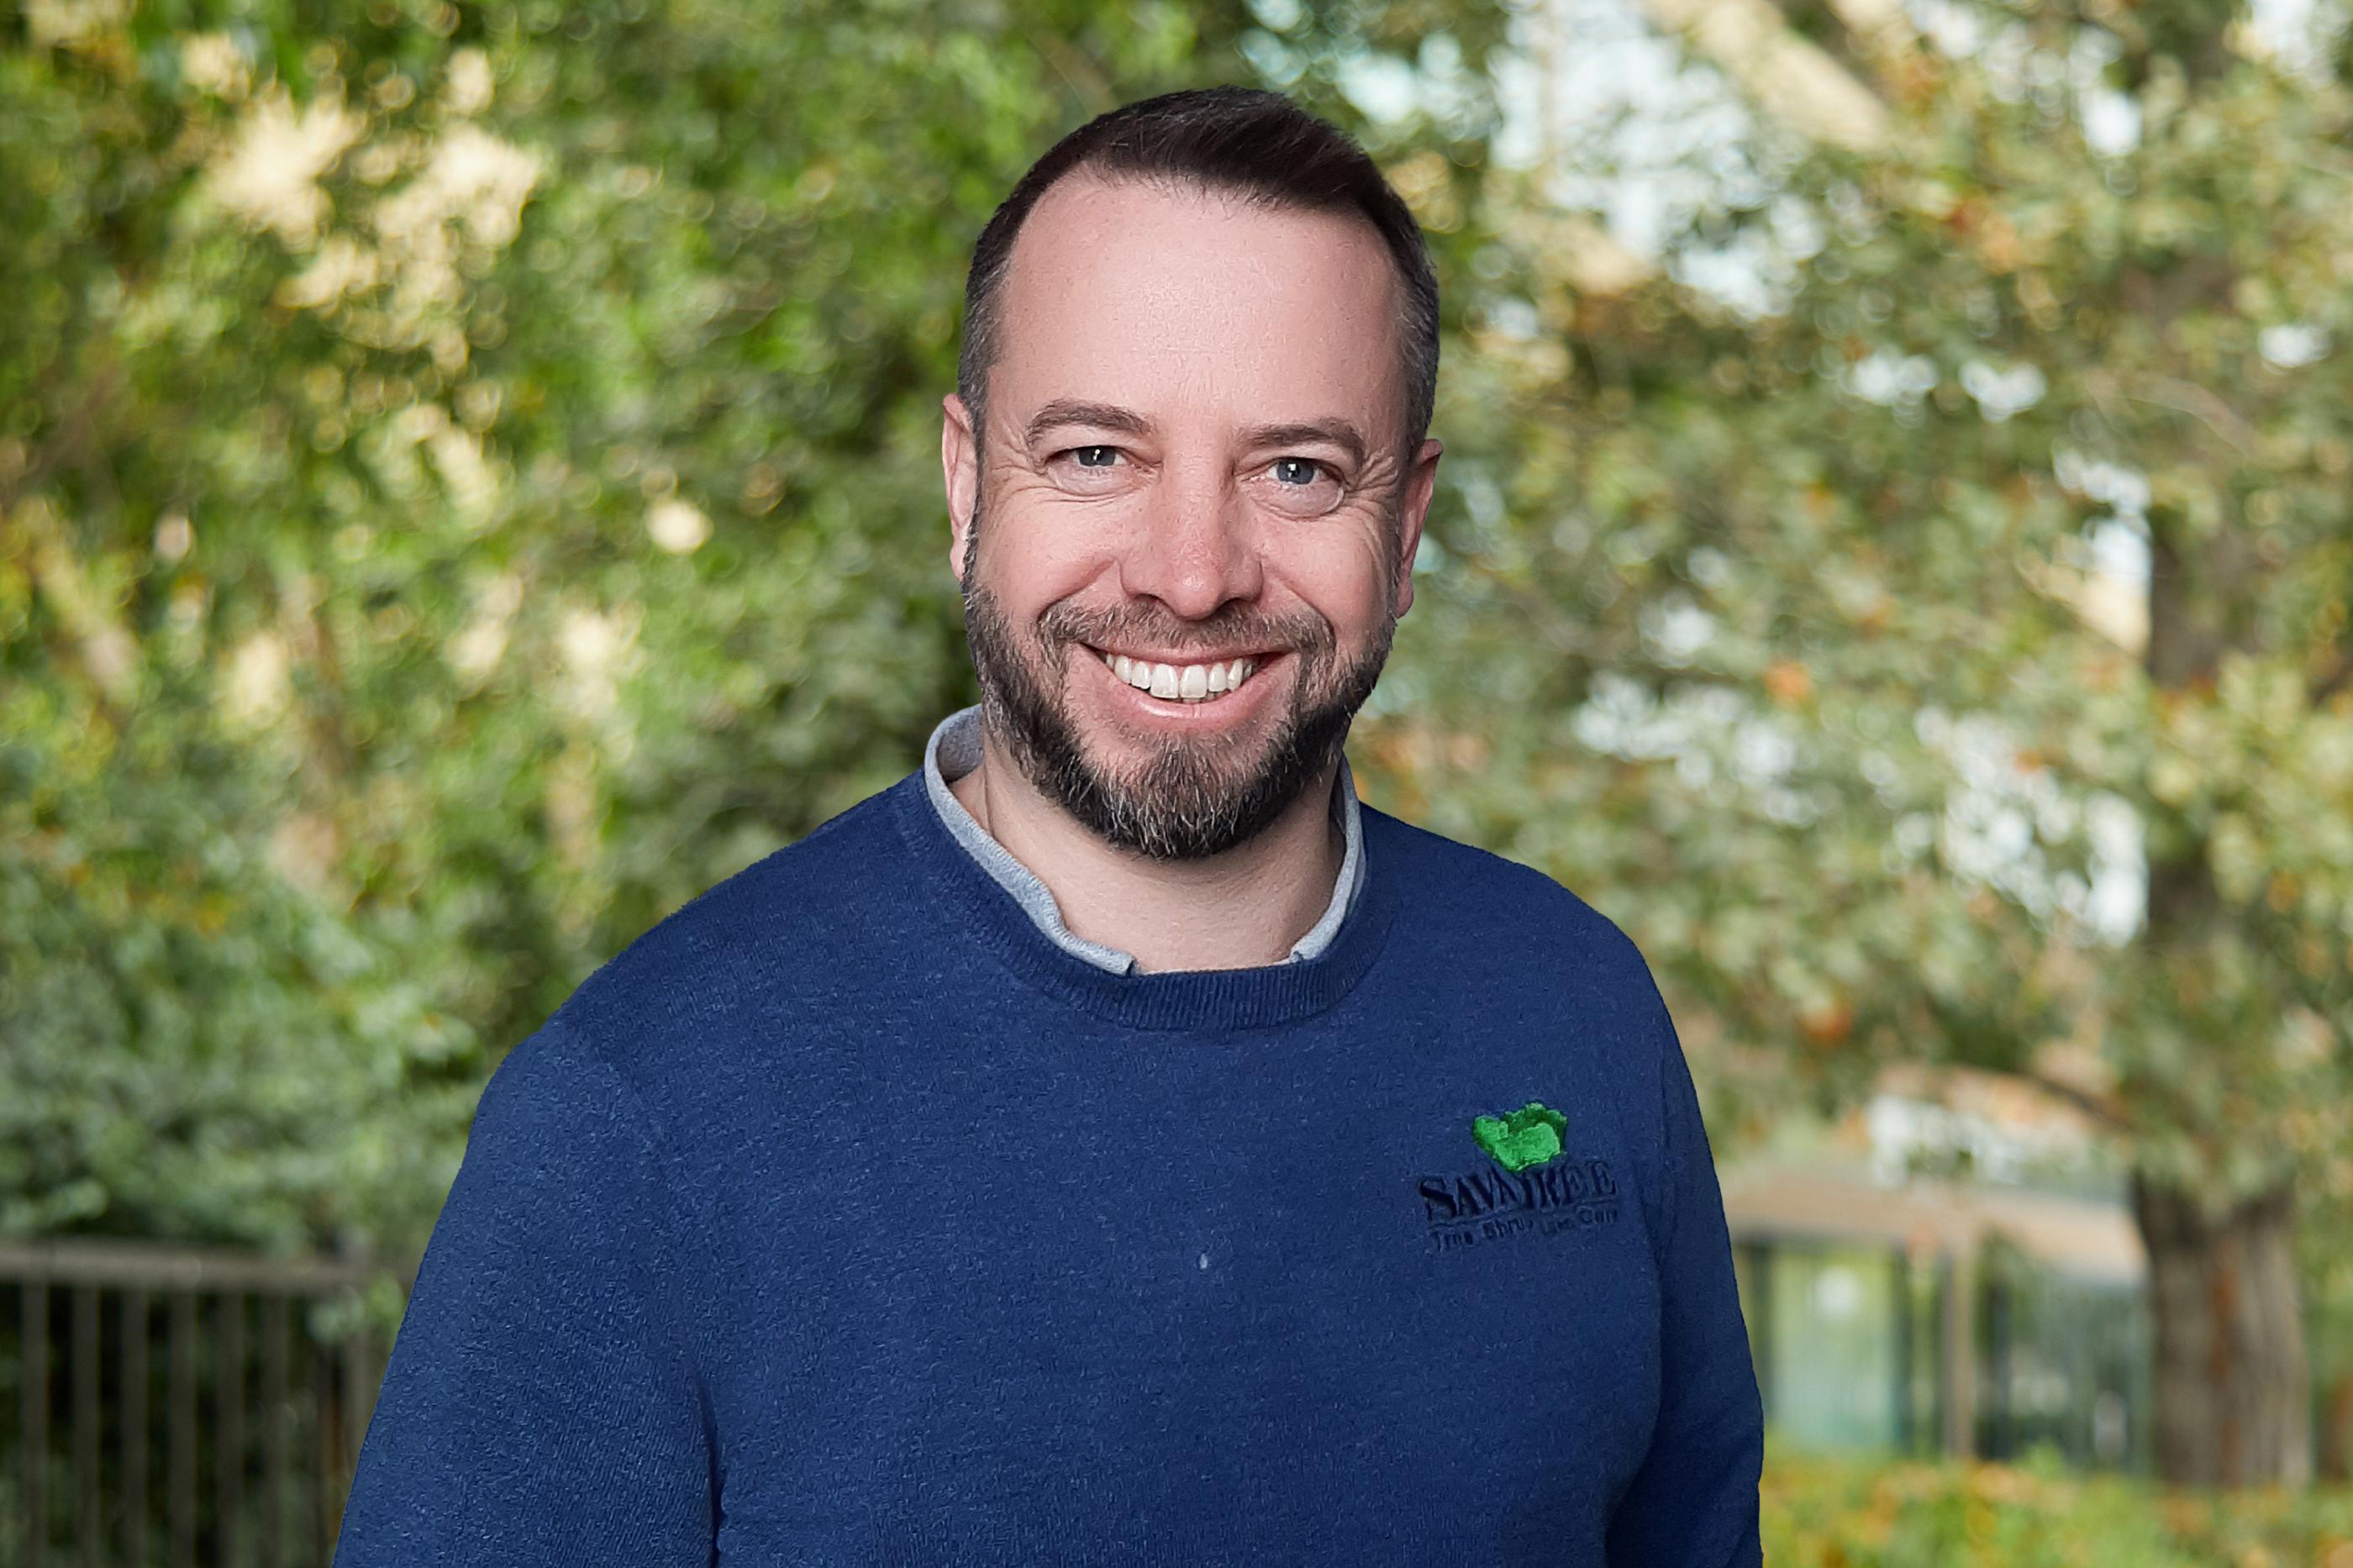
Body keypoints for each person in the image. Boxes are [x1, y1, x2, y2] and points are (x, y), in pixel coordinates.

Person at [334, 85, 1762, 1566]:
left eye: (1296, 471)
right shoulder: (637, 1117)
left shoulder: (1576, 1012)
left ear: (1404, 531)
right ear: (965, 486)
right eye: (1095, 454)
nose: (1193, 572)